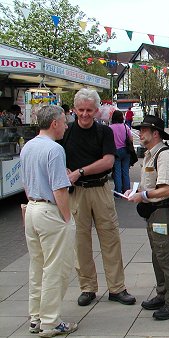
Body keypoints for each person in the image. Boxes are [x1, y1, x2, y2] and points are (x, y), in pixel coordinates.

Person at [62, 88, 135, 307]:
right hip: (77, 193)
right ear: (74, 109)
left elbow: (108, 161)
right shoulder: (66, 131)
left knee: (110, 238)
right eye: (81, 110)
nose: (84, 114)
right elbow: (58, 157)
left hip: (101, 189)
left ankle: (117, 288)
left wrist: (80, 171)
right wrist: (66, 170)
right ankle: (87, 288)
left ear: (96, 111)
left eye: (89, 110)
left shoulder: (104, 132)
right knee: (80, 242)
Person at [20, 105, 78, 336]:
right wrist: (66, 218)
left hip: (33, 208)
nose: (66, 125)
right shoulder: (54, 149)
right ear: (54, 123)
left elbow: (26, 182)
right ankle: (50, 322)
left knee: (37, 267)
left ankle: (36, 317)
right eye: (64, 122)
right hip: (49, 212)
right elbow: (59, 189)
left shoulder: (28, 147)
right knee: (56, 269)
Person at [126, 115, 169, 321]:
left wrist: (143, 196)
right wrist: (135, 191)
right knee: (157, 255)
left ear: (155, 133)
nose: (139, 133)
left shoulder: (165, 155)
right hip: (153, 212)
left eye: (143, 130)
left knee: (167, 256)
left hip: (162, 212)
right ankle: (162, 294)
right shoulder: (151, 154)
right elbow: (151, 184)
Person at [109, 110, 133, 196]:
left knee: (117, 172)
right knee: (125, 171)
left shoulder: (110, 128)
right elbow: (131, 139)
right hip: (126, 151)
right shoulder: (125, 126)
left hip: (115, 151)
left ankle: (118, 192)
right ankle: (127, 190)